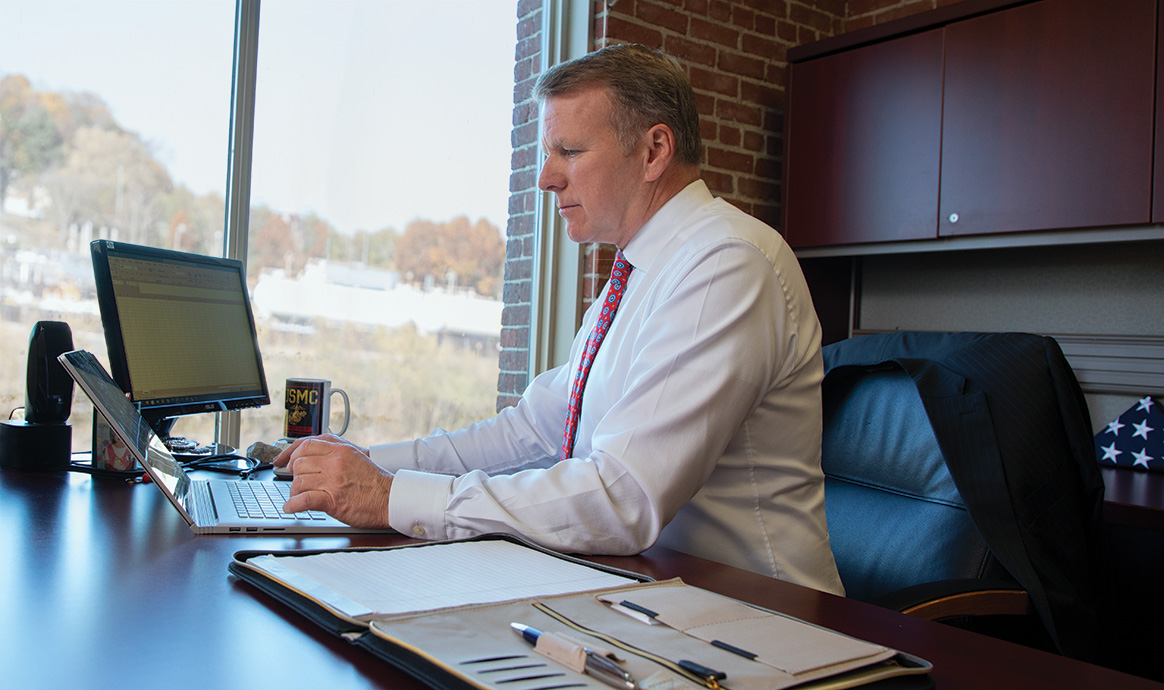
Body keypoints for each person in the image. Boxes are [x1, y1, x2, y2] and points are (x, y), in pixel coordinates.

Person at [275, 43, 844, 595]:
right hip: (662, 599)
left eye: (568, 151)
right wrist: (363, 465)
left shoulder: (725, 266)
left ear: (653, 151)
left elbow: (623, 497)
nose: (546, 177)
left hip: (760, 622)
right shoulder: (639, 274)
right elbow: (533, 433)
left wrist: (393, 498)